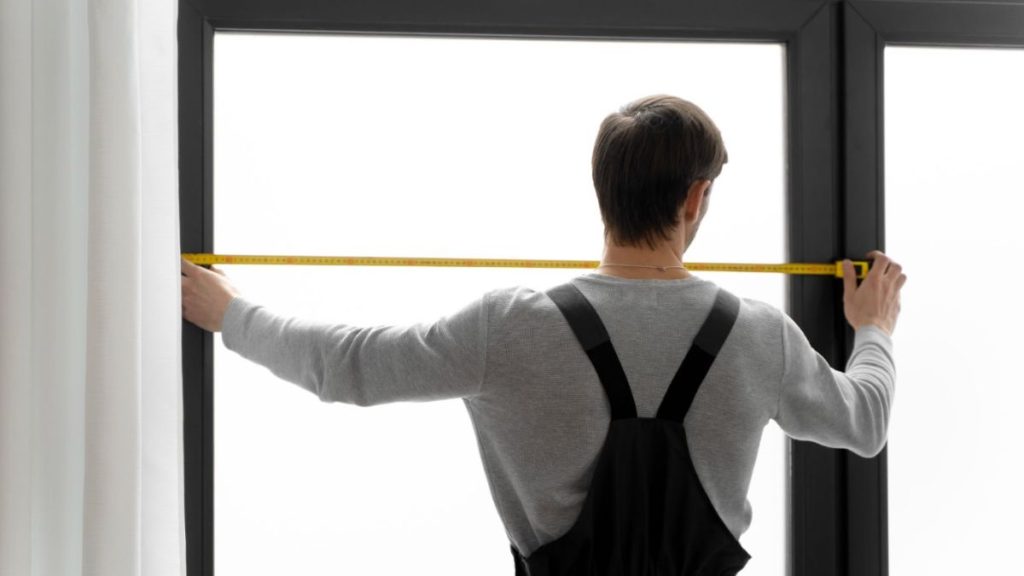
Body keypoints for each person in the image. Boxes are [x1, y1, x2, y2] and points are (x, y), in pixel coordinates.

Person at [181, 94, 905, 574]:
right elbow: (864, 422)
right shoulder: (757, 336)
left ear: (603, 190)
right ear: (695, 197)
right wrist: (872, 327)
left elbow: (345, 367)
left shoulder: (513, 326)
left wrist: (230, 314)